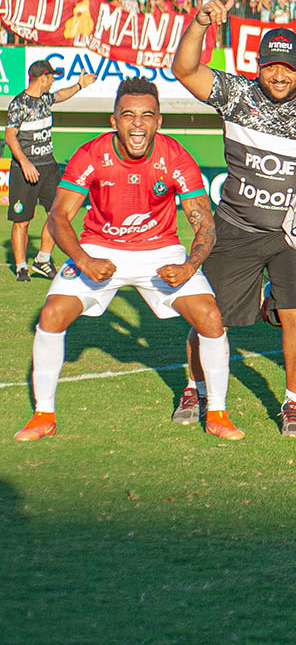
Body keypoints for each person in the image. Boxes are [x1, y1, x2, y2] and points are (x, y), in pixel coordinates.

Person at [15, 78, 236, 442]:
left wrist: (188, 267)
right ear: (113, 119)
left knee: (211, 317)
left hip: (160, 251)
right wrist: (84, 260)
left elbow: (205, 225)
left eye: (147, 115)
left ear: (159, 121)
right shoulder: (91, 154)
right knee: (51, 315)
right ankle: (43, 415)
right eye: (128, 115)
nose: (137, 124)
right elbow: (58, 217)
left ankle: (217, 413)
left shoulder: (176, 157)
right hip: (99, 248)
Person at [171, 9, 296, 438]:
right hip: (236, 228)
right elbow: (185, 70)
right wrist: (200, 24)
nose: (279, 75)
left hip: (294, 233)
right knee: (210, 317)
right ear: (258, 64)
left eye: (289, 67)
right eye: (271, 66)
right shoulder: (237, 94)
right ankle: (194, 389)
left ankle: (294, 404)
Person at [7, 59, 95, 280]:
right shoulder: (19, 104)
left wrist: (80, 85)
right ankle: (21, 267)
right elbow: (10, 136)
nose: (53, 80)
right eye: (52, 76)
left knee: (57, 216)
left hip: (49, 168)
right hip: (25, 171)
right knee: (22, 222)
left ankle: (42, 260)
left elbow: (60, 95)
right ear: (43, 77)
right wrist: (25, 163)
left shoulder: (45, 99)